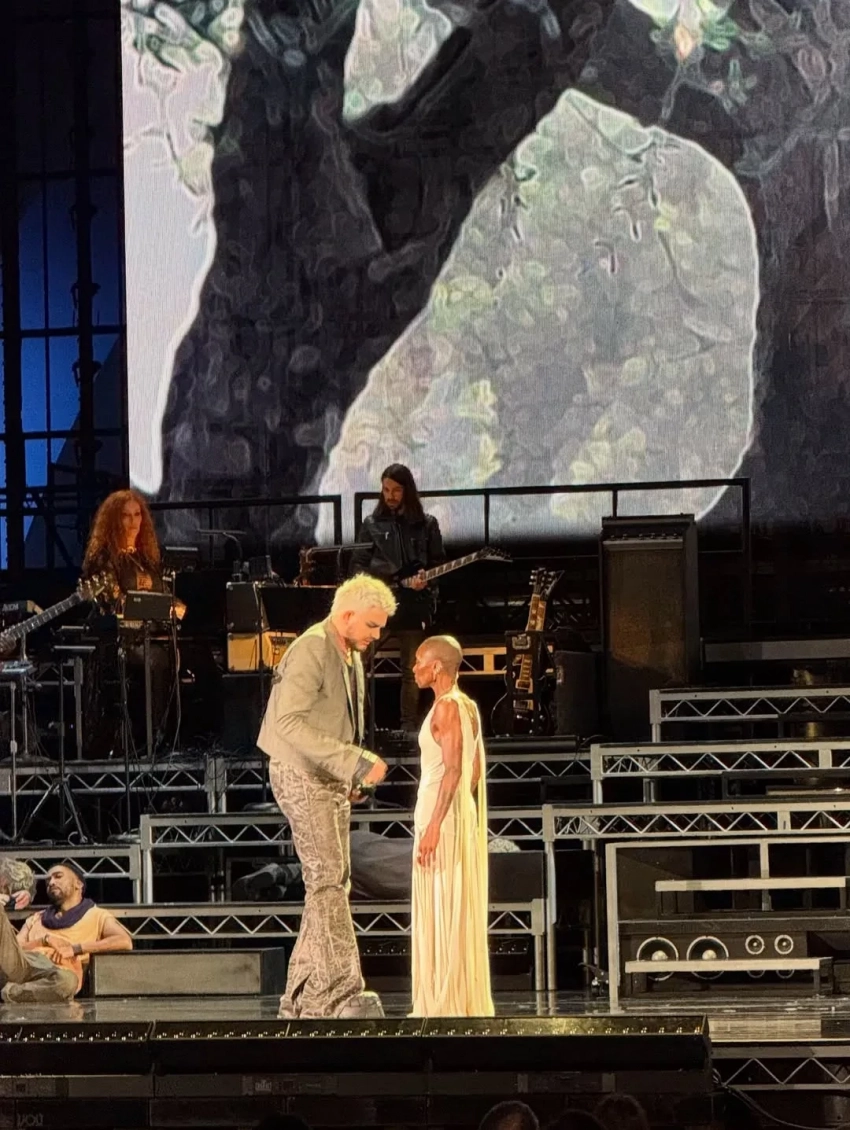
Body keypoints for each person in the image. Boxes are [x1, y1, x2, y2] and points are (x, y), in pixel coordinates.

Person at [257, 574, 398, 1020]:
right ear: (347, 614)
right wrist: (353, 761)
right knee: (328, 880)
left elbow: (337, 719)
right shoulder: (311, 648)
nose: (377, 635)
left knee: (331, 882)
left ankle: (301, 998)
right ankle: (340, 993)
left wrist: (349, 775)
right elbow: (288, 724)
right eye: (372, 625)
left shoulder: (348, 651)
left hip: (327, 776)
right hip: (300, 774)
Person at [409, 635, 493, 1017]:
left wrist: (435, 825)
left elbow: (456, 769)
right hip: (454, 813)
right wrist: (458, 810)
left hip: (439, 816)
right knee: (449, 901)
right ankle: (453, 994)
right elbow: (474, 772)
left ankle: (444, 1000)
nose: (414, 668)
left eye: (418, 662)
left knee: (442, 899)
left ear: (436, 667)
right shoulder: (468, 706)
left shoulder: (447, 707)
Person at [81, 488, 184, 757]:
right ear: (114, 521)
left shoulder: (147, 559)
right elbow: (111, 602)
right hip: (119, 643)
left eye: (137, 515)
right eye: (126, 516)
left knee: (196, 656)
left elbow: (166, 596)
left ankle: (182, 738)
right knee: (155, 660)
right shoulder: (104, 559)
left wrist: (179, 608)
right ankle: (152, 741)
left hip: (156, 636)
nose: (133, 522)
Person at [350, 464, 446, 731]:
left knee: (411, 669)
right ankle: (362, 726)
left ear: (407, 491)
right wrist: (373, 591)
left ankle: (408, 729)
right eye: (386, 490)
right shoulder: (371, 525)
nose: (390, 496)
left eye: (396, 490)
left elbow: (438, 563)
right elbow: (357, 565)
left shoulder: (427, 524)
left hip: (413, 605)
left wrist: (426, 581)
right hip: (378, 604)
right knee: (358, 663)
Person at [9, 861, 133, 1002]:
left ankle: (9, 993)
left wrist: (75, 949)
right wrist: (44, 940)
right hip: (26, 966)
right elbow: (12, 949)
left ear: (78, 884)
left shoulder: (97, 915)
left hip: (57, 974)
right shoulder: (36, 918)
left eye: (58, 876)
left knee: (66, 982)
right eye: (48, 880)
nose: (51, 883)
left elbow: (124, 941)